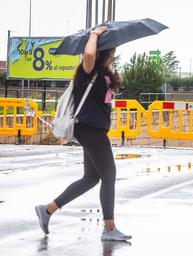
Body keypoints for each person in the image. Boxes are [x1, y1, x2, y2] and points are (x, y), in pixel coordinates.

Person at [35, 26, 131, 242]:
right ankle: (109, 228)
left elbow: (107, 93)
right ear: (102, 53)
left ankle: (47, 210)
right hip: (89, 128)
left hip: (94, 129)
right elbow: (88, 54)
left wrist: (111, 68)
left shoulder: (104, 74)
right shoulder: (88, 70)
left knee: (91, 178)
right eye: (112, 52)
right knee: (109, 175)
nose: (113, 55)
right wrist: (94, 35)